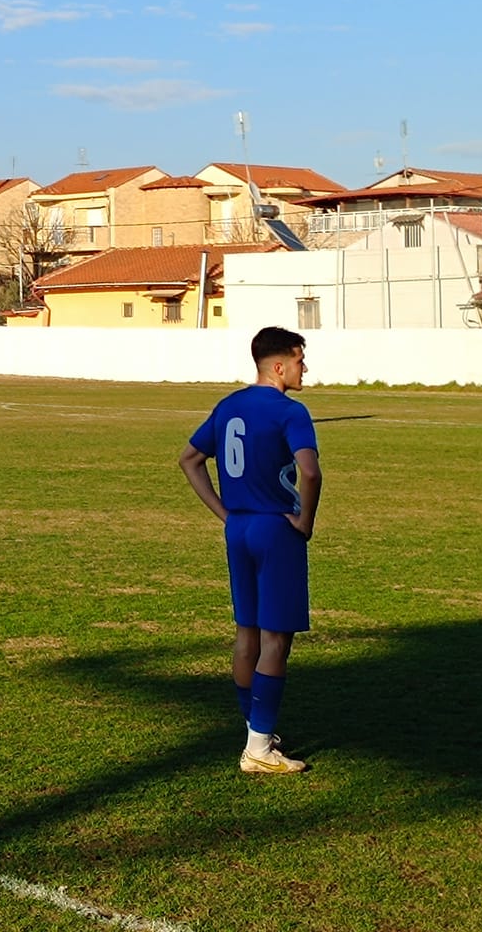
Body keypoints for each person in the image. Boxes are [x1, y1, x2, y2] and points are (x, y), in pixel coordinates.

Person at [178, 326, 322, 777]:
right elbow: (311, 474)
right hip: (275, 530)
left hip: (238, 528)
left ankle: (255, 732)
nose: (305, 368)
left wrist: (224, 511)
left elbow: (189, 459)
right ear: (279, 366)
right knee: (277, 639)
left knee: (247, 634)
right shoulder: (290, 411)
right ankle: (258, 748)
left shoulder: (228, 406)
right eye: (300, 360)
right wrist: (305, 522)